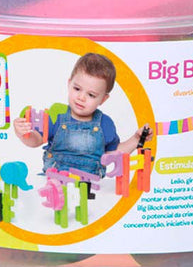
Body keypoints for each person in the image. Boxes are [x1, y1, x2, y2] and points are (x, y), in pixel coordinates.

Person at [13, 52, 151, 177]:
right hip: (54, 182)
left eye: (91, 95)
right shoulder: (56, 115)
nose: (81, 97)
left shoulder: (105, 124)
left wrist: (135, 139)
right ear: (69, 84)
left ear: (103, 99)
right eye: (77, 89)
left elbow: (113, 154)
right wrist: (24, 134)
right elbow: (36, 140)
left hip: (91, 187)